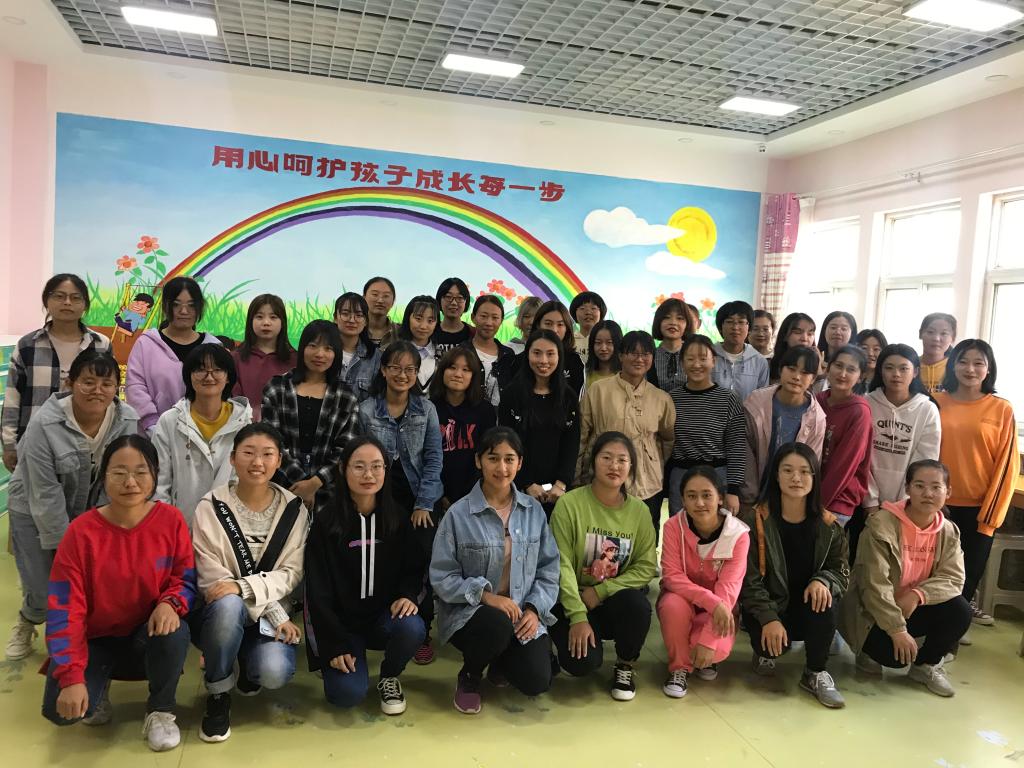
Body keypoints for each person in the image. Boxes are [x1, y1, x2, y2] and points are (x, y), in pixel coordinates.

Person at [41, 435, 195, 751]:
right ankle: (99, 686)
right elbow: (63, 609)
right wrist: (71, 677)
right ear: (104, 477)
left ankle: (160, 710)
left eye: (140, 472)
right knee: (61, 713)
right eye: (119, 472)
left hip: (145, 636)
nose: (130, 482)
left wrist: (170, 602)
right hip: (95, 640)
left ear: (154, 475)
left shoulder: (170, 520)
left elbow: (186, 578)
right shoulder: (81, 532)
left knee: (175, 631)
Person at [5, 351, 138, 661]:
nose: (97, 390)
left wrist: (104, 528)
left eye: (107, 383)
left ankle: (80, 636)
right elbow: (45, 492)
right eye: (88, 382)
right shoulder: (45, 423)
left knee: (88, 581)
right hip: (33, 507)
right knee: (43, 586)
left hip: (89, 506)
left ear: (116, 388)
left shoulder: (126, 420)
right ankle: (29, 619)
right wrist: (68, 549)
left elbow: (118, 475)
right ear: (70, 383)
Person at [430, 427, 561, 714]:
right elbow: (442, 576)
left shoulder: (533, 511)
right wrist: (487, 596)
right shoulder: (458, 514)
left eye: (509, 459)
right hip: (472, 613)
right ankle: (470, 675)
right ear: (479, 461)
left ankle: (500, 659)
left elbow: (549, 569)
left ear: (520, 463)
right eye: (493, 458)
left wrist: (534, 609)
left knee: (537, 681)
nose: (501, 468)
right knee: (496, 625)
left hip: (520, 612)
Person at [191, 423, 308, 742]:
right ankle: (218, 692)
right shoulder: (211, 506)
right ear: (232, 458)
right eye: (248, 453)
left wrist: (243, 588)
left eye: (268, 454)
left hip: (269, 617)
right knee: (228, 605)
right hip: (222, 613)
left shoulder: (294, 509)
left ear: (279, 461)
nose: (258, 462)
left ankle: (243, 659)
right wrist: (270, 608)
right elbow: (213, 577)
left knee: (273, 672)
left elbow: (292, 572)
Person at [304, 436, 425, 715]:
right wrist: (333, 645)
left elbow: (414, 568)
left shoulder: (397, 519)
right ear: (343, 469)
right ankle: (341, 663)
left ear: (385, 470)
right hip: (343, 626)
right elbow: (316, 592)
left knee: (412, 627)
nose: (368, 475)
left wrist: (408, 595)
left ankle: (389, 676)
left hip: (382, 619)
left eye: (376, 466)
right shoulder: (326, 522)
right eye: (359, 466)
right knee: (346, 696)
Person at [840, 460, 971, 698]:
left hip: (912, 606)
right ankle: (867, 652)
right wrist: (897, 630)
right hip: (873, 612)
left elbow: (953, 579)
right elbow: (873, 585)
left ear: (948, 492)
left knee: (960, 611)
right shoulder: (881, 524)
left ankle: (925, 666)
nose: (928, 494)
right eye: (919, 486)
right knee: (892, 657)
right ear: (908, 488)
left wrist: (918, 594)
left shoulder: (949, 531)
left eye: (936, 487)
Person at [739, 442, 848, 709]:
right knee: (770, 648)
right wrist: (768, 617)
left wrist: (823, 580)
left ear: (814, 477)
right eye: (787, 470)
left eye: (804, 471)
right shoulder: (756, 521)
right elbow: (748, 580)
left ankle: (815, 672)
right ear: (776, 475)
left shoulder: (829, 526)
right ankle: (764, 650)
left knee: (826, 598)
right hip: (772, 609)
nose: (796, 478)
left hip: (809, 611)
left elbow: (841, 572)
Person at [550, 432, 658, 701]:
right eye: (606, 458)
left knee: (638, 606)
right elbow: (560, 564)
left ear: (631, 466)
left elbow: (646, 567)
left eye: (622, 460)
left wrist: (601, 591)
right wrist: (577, 615)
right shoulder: (570, 504)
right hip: (573, 599)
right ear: (593, 462)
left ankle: (625, 665)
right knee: (581, 665)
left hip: (611, 599)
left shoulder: (639, 512)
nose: (614, 466)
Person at [357, 341, 443, 661]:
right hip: (379, 500)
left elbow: (434, 458)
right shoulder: (366, 410)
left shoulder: (426, 409)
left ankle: (423, 628)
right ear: (383, 370)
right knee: (380, 559)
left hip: (419, 499)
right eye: (395, 367)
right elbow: (359, 460)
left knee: (423, 559)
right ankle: (380, 623)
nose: (402, 375)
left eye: (410, 369)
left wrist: (424, 504)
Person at [934, 340, 1019, 626]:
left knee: (965, 581)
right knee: (930, 576)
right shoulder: (936, 402)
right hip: (935, 506)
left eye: (978, 362)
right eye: (963, 361)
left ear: (989, 368)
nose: (970, 369)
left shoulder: (1001, 409)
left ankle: (949, 636)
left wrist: (990, 518)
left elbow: (1006, 466)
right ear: (952, 365)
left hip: (978, 511)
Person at [2, 274, 110, 473]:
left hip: (87, 445)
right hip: (35, 442)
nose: (67, 302)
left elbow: (109, 395)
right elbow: (13, 397)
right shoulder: (28, 345)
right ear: (46, 301)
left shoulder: (100, 345)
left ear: (85, 305)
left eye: (75, 297)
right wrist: (9, 444)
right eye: (59, 296)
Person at [658, 466, 750, 698]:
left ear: (720, 498)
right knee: (671, 605)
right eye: (691, 496)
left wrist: (709, 641)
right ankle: (679, 667)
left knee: (716, 649)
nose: (699, 503)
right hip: (686, 601)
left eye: (707, 495)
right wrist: (712, 602)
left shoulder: (738, 535)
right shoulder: (673, 527)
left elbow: (728, 590)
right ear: (683, 500)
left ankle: (704, 657)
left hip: (721, 606)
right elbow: (672, 576)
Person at [577, 331, 675, 542]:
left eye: (645, 354)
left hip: (647, 483)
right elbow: (582, 435)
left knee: (645, 539)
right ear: (620, 356)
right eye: (633, 353)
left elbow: (667, 440)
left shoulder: (661, 398)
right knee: (601, 541)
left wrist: (652, 461)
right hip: (604, 478)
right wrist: (577, 476)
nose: (639, 359)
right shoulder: (598, 390)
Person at [856, 344, 941, 563]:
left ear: (915, 372)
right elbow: (860, 457)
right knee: (864, 562)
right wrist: (870, 502)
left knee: (900, 565)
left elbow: (925, 462)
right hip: (866, 501)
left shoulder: (927, 409)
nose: (896, 374)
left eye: (904, 368)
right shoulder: (866, 403)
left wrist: (904, 503)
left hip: (908, 505)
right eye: (889, 368)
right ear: (880, 371)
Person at [261, 320, 361, 508]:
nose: (320, 354)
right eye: (313, 346)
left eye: (328, 348)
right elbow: (271, 441)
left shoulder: (346, 396)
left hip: (329, 493)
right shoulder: (276, 388)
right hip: (280, 486)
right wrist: (302, 483)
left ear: (336, 354)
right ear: (302, 348)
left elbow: (346, 448)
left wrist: (315, 483)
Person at [154, 344, 253, 526]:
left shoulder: (244, 422)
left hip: (229, 528)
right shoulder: (170, 421)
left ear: (228, 377)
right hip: (180, 526)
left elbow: (247, 481)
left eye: (217, 370)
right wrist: (169, 527)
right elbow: (160, 483)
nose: (209, 377)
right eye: (200, 370)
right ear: (189, 376)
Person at [498, 330, 580, 516]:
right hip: (518, 487)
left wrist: (561, 483)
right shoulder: (512, 394)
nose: (543, 360)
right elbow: (507, 443)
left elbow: (571, 442)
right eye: (537, 353)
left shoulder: (568, 396)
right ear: (527, 354)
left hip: (557, 492)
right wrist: (527, 483)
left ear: (559, 357)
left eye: (550, 354)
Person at [126, 276, 220, 435]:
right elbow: (135, 386)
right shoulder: (146, 344)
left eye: (191, 305)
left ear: (199, 308)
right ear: (165, 306)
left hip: (203, 435)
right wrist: (152, 425)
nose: (184, 311)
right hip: (151, 436)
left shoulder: (213, 347)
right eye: (176, 305)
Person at [668, 335, 746, 516]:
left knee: (717, 530)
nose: (697, 365)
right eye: (690, 359)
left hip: (717, 477)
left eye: (703, 358)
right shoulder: (671, 399)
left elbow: (736, 447)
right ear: (682, 363)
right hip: (681, 477)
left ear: (714, 361)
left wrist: (733, 490)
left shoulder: (729, 399)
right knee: (681, 529)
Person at [740, 345, 826, 506]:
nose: (797, 377)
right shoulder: (756, 403)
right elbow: (744, 453)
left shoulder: (817, 418)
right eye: (791, 369)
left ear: (813, 379)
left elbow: (810, 464)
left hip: (791, 500)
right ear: (781, 369)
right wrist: (749, 496)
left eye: (805, 373)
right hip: (750, 496)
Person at [430, 347, 497, 509]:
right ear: (442, 371)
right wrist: (439, 494)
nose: (458, 374)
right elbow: (424, 457)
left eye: (466, 370)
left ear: (474, 376)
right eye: (452, 367)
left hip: (475, 493)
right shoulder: (429, 408)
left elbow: (487, 455)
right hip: (434, 493)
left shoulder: (485, 411)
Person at [815, 346, 872, 527]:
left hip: (836, 502)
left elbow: (845, 465)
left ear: (861, 376)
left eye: (851, 369)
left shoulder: (859, 411)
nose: (843, 374)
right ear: (828, 367)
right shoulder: (816, 400)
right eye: (838, 366)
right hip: (807, 494)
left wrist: (817, 505)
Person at [231, 294, 296, 421]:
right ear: (250, 321)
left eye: (273, 317)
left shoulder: (295, 359)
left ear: (283, 322)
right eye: (259, 317)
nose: (266, 323)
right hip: (244, 426)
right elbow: (233, 400)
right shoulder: (236, 358)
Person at [712, 300, 769, 404]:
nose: (735, 327)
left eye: (741, 322)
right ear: (721, 326)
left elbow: (762, 399)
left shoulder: (760, 362)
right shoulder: (709, 355)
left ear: (749, 327)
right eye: (729, 322)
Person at [466, 294, 515, 406]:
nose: (489, 323)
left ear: (501, 321)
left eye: (495, 318)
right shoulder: (462, 352)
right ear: (473, 317)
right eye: (483, 316)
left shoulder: (508, 355)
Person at [333, 292, 381, 402]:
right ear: (335, 317)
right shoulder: (324, 352)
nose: (352, 320)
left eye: (359, 315)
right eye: (345, 314)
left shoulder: (376, 357)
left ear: (366, 321)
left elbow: (377, 398)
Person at [396, 295, 439, 390]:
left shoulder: (441, 355)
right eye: (418, 319)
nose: (423, 326)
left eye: (430, 321)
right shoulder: (395, 351)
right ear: (408, 318)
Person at [648, 298, 690, 393]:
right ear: (658, 322)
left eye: (680, 318)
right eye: (666, 317)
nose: (673, 322)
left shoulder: (694, 355)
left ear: (687, 324)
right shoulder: (649, 356)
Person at [769, 312, 816, 383]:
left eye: (810, 334)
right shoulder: (769, 365)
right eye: (797, 332)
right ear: (785, 335)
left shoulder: (820, 366)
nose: (805, 338)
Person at [433, 277, 474, 356]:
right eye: (448, 297)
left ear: (466, 301)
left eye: (460, 298)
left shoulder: (473, 334)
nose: (454, 303)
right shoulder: (430, 332)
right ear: (439, 300)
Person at [919, 313, 957, 394]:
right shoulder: (910, 365)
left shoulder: (957, 369)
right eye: (930, 332)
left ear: (953, 338)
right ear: (920, 334)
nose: (936, 338)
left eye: (944, 333)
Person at [584, 319, 623, 392]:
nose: (603, 348)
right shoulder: (585, 374)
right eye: (598, 342)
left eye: (609, 342)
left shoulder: (625, 375)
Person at [569, 291, 606, 366]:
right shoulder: (569, 341)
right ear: (574, 313)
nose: (588, 312)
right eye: (582, 308)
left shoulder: (607, 340)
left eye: (593, 308)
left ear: (601, 313)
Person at [363, 276, 398, 348]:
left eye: (386, 296)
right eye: (375, 294)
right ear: (364, 297)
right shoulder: (354, 328)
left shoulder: (400, 332)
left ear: (393, 301)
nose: (380, 300)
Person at [854, 329, 887, 396]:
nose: (870, 353)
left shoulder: (887, 381)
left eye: (876, 349)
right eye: (864, 348)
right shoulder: (849, 377)